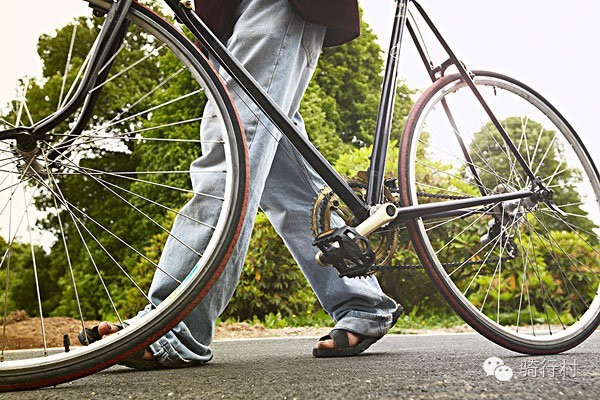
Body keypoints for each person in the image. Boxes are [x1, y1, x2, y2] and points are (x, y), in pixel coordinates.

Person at [84, 0, 402, 368]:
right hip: (225, 13)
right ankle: (362, 301)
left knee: (232, 151)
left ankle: (173, 324)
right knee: (280, 172)